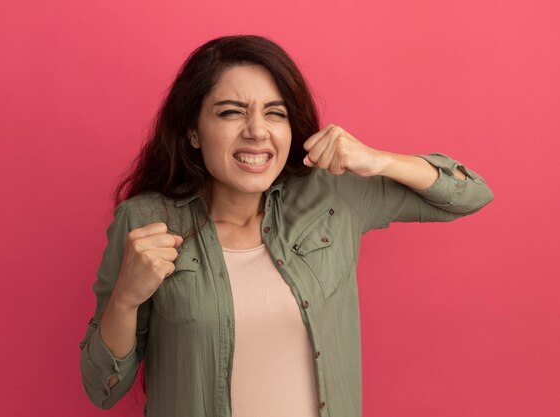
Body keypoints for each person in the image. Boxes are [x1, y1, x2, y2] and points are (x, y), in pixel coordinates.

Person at [79, 34, 494, 417]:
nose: (257, 131)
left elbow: (472, 193)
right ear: (192, 131)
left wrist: (378, 159)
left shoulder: (333, 196)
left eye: (274, 113)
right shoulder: (145, 221)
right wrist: (126, 299)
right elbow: (103, 388)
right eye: (230, 112)